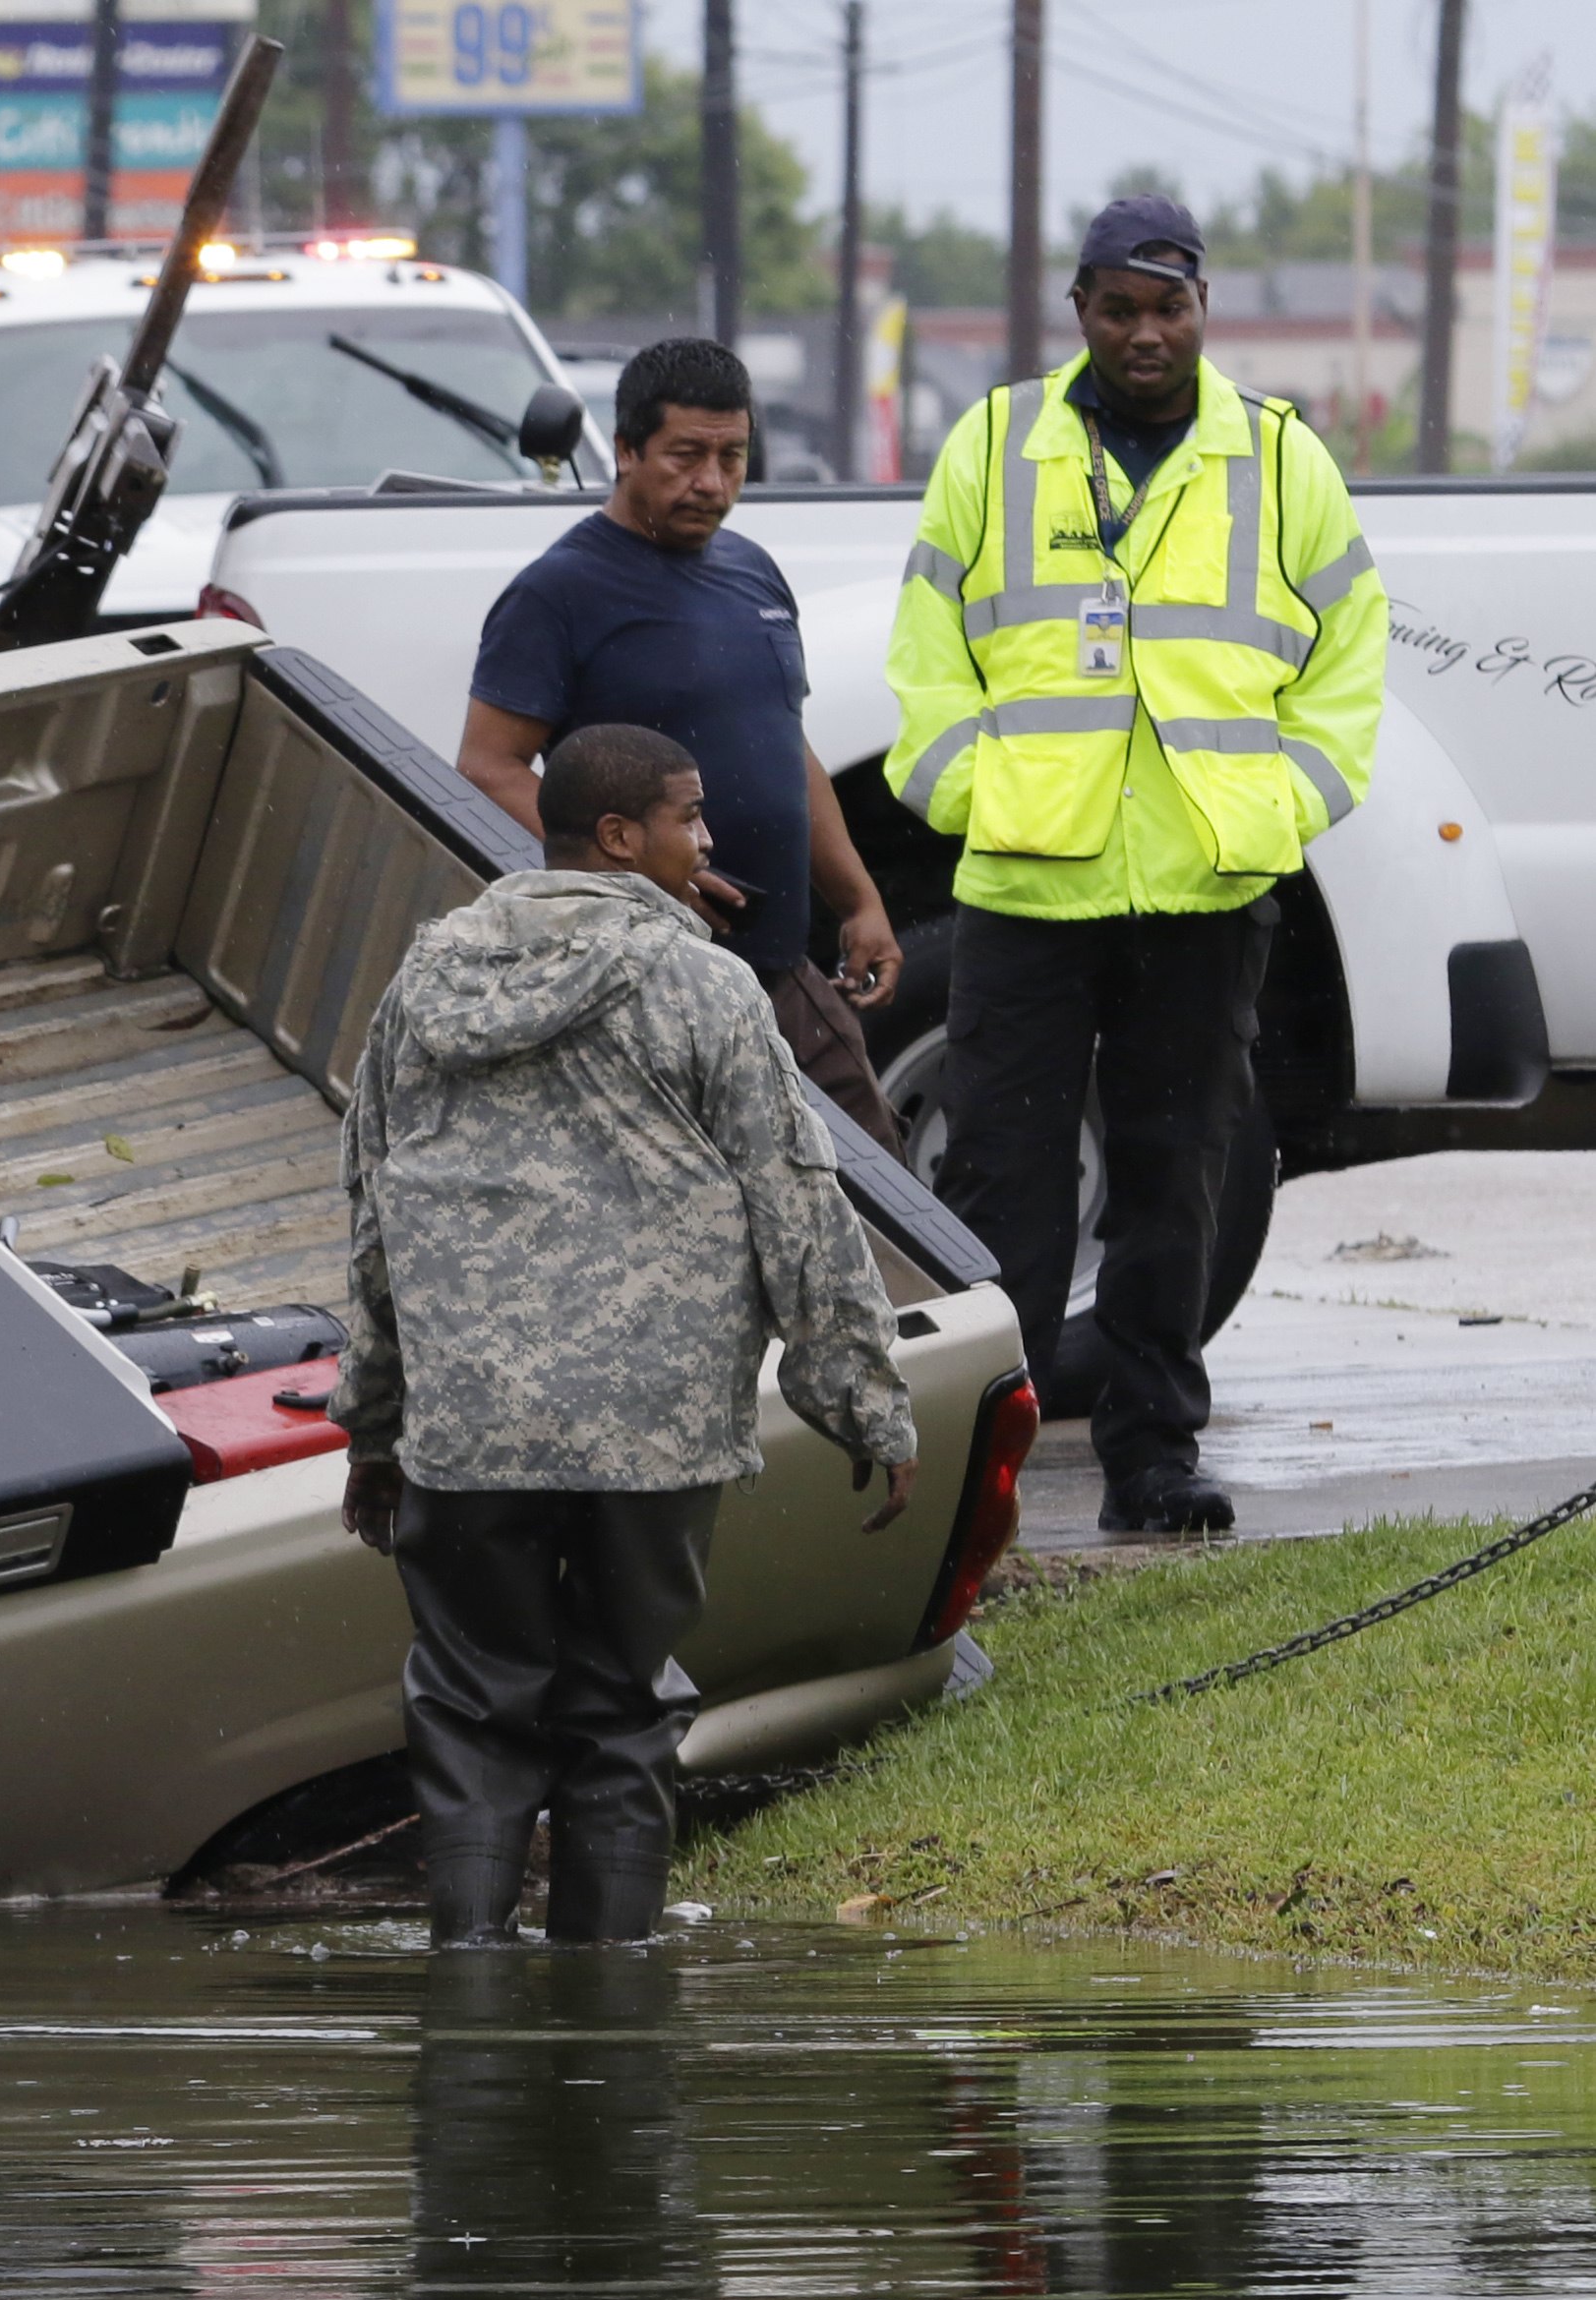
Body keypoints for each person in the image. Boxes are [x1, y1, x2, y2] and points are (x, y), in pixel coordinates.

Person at [335, 723, 922, 1949]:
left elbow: (375, 1219)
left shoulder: (423, 981)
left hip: (470, 1427)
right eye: (688, 817)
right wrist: (862, 1399)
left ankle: (470, 1992)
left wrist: (376, 1430)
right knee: (616, 1706)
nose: (707, 840)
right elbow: (796, 1200)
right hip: (649, 1438)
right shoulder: (704, 986)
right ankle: (609, 2006)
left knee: (467, 1705)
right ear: (618, 836)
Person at [887, 197, 1386, 1535]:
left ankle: (1152, 1457)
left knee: (1177, 1179)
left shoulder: (1276, 461)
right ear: (1079, 313)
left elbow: (1347, 653)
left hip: (1202, 892)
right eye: (1116, 308)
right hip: (1024, 889)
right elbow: (924, 651)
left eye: (1166, 307)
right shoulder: (993, 444)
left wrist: (1283, 807)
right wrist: (969, 793)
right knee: (1003, 1190)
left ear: (1200, 307)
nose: (1143, 332)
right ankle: (963, 1479)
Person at [457, 337, 911, 1150]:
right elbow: (487, 766)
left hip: (780, 972)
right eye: (685, 455)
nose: (710, 482)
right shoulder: (557, 592)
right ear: (625, 450)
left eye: (731, 457)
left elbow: (786, 748)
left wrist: (858, 899)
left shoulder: (754, 573)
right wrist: (636, 879)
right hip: (649, 986)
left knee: (879, 1196)